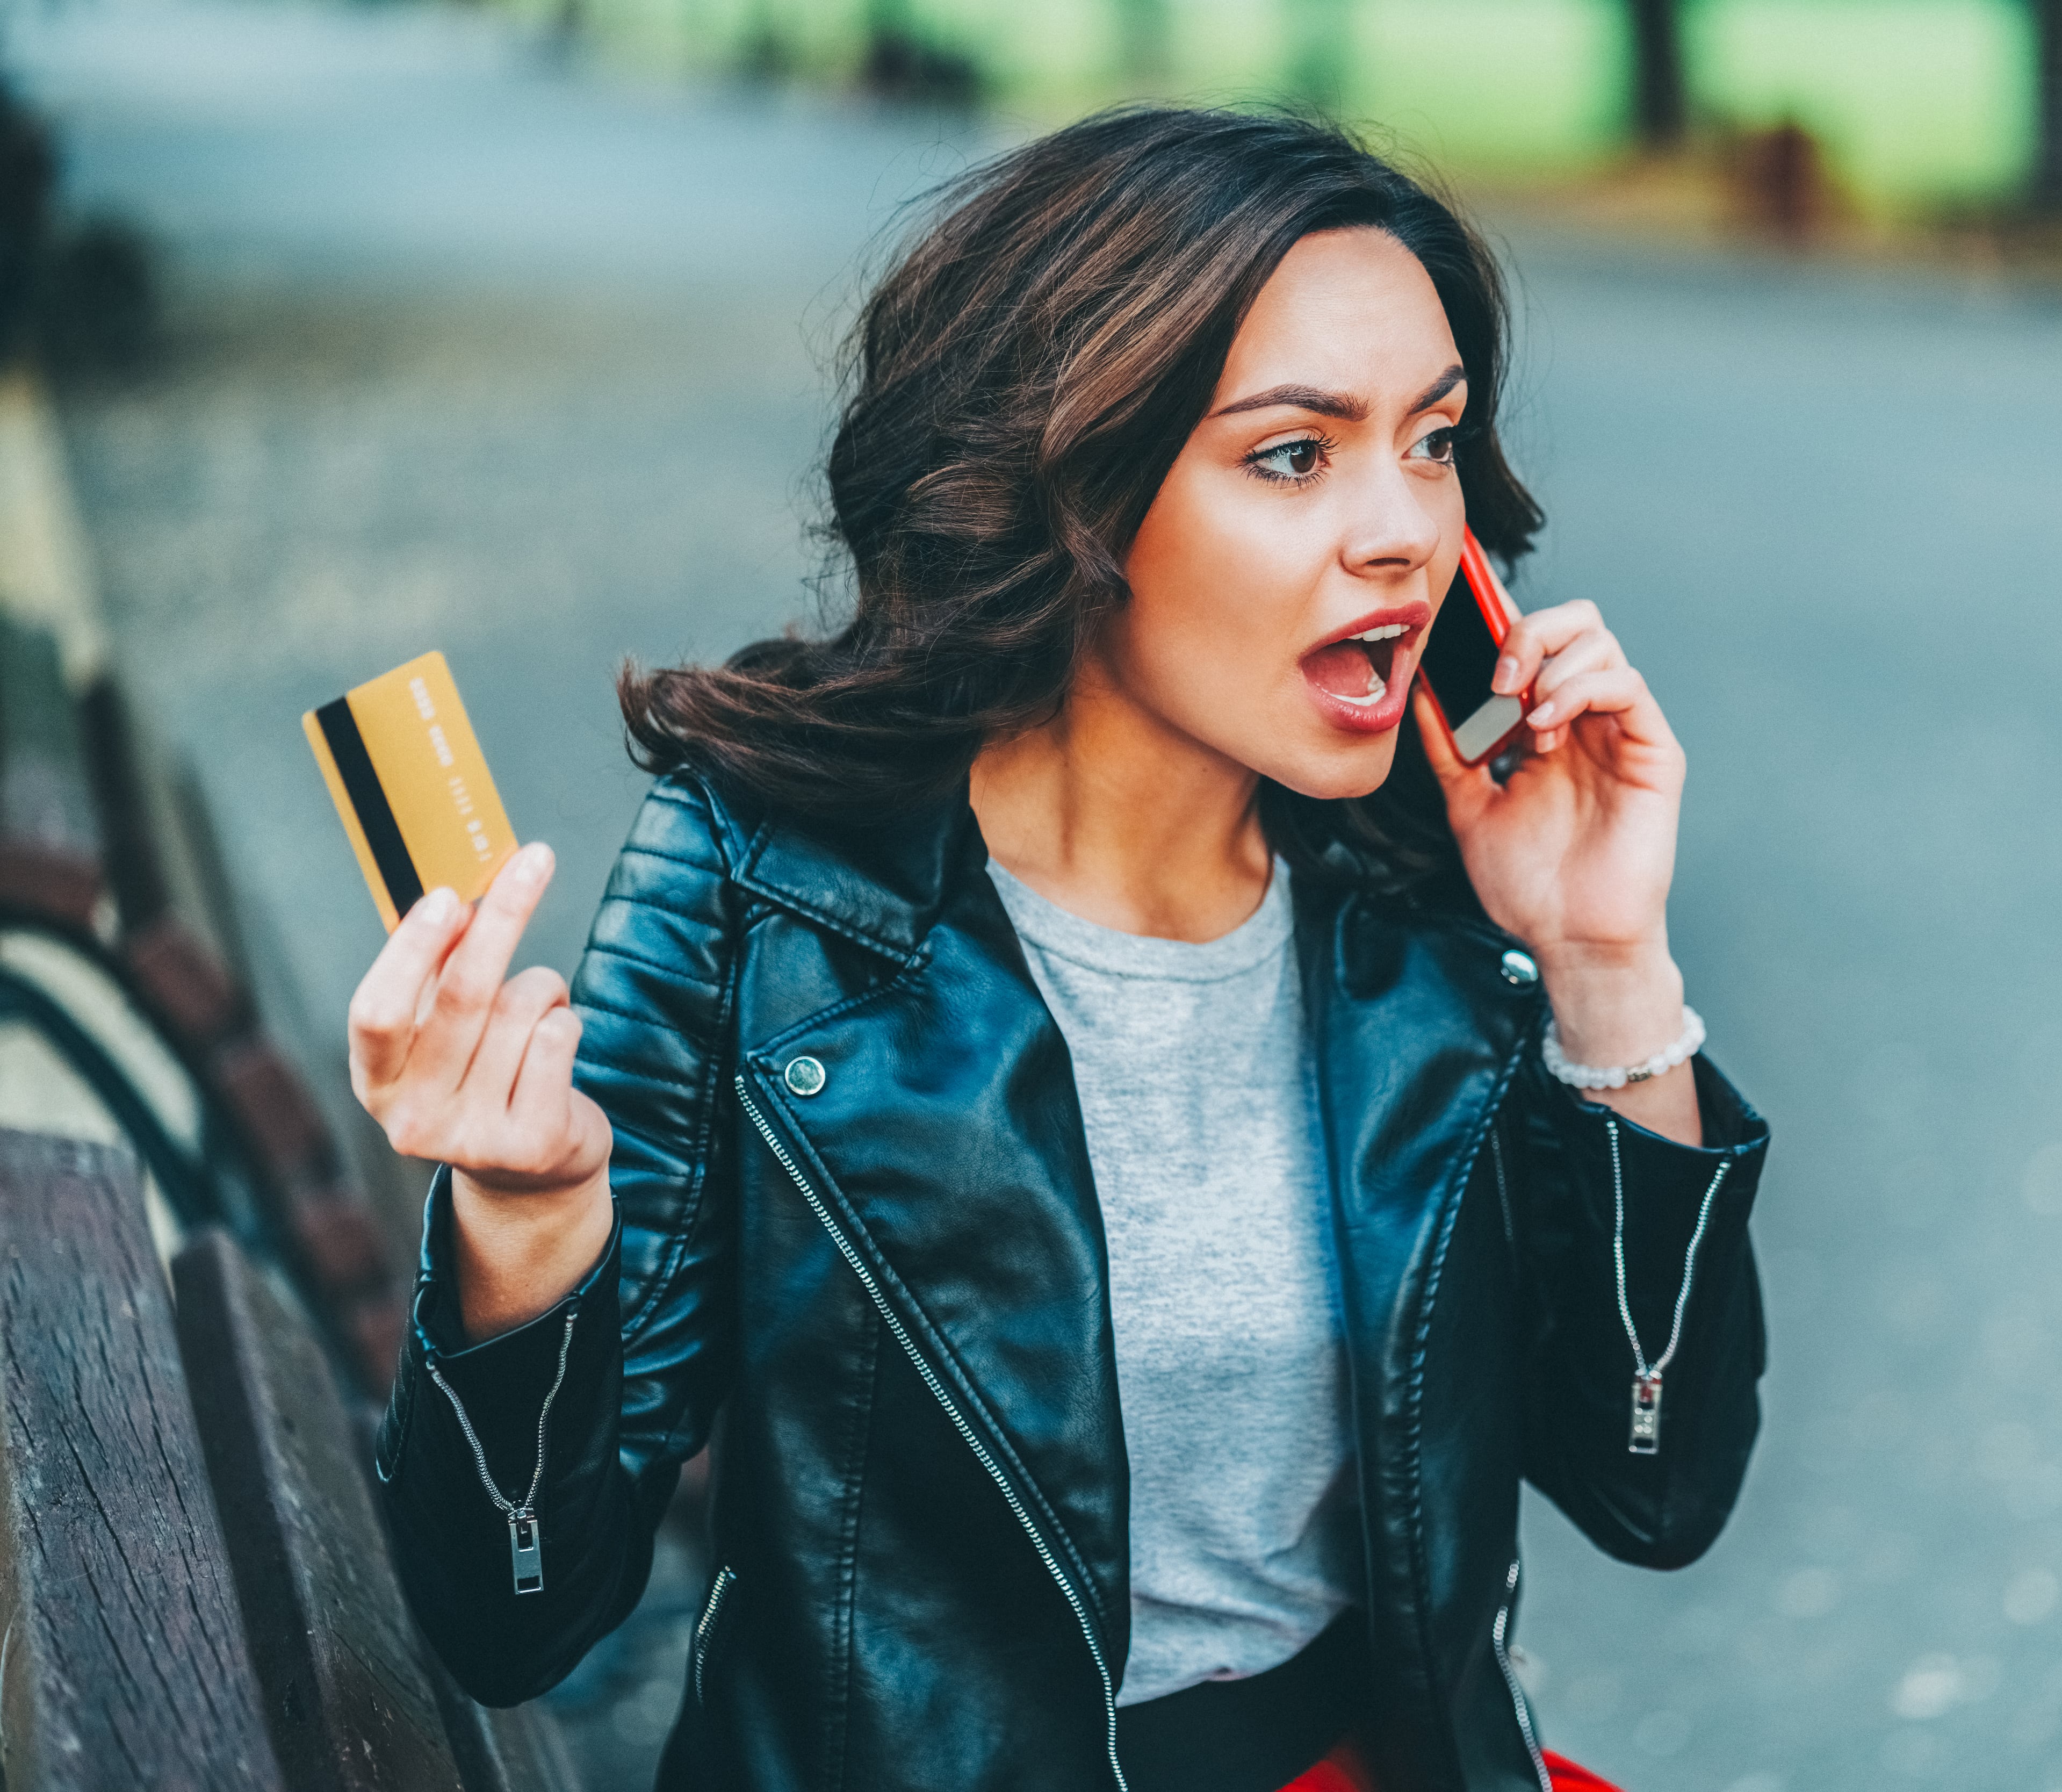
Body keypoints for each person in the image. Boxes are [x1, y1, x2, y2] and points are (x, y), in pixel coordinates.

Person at [350, 107, 1771, 1792]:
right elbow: (515, 1616)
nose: (1400, 527)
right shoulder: (765, 887)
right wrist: (524, 1223)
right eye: (1294, 455)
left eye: (1435, 439)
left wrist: (1606, 964)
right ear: (1076, 491)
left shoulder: (1420, 884)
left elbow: (1655, 1489)